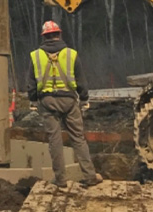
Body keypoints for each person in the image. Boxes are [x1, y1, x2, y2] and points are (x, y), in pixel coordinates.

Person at [27, 20, 103, 189]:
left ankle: (60, 180)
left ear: (44, 37)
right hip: (69, 101)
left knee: (55, 141)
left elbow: (31, 83)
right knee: (78, 139)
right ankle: (90, 176)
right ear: (59, 34)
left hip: (47, 103)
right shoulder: (71, 54)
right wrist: (84, 99)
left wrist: (32, 100)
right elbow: (81, 80)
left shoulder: (35, 56)